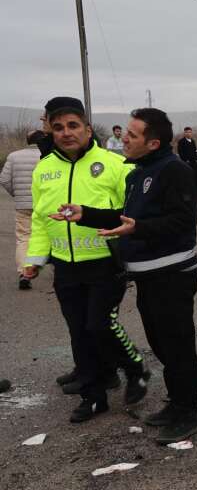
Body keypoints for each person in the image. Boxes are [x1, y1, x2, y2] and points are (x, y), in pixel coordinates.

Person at [57, 107, 197, 444]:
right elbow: (124, 218)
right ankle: (177, 401)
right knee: (161, 344)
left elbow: (183, 221)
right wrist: (86, 215)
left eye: (133, 135)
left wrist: (140, 228)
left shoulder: (174, 171)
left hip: (173, 275)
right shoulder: (137, 173)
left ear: (153, 143)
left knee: (177, 346)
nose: (124, 138)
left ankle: (187, 409)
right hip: (147, 277)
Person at [24, 99, 149, 422]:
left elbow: (135, 214)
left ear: (88, 129)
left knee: (99, 325)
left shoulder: (114, 164)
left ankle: (135, 367)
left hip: (105, 263)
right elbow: (39, 219)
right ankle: (93, 397)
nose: (66, 133)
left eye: (73, 126)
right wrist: (35, 259)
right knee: (79, 332)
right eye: (58, 127)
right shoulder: (44, 168)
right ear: (50, 132)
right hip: (64, 265)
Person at [1, 130, 43, 289]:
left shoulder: (14, 156)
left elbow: (4, 179)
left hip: (22, 205)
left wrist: (16, 194)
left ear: (27, 141)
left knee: (24, 238)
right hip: (44, 205)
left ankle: (24, 273)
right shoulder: (50, 155)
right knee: (51, 236)